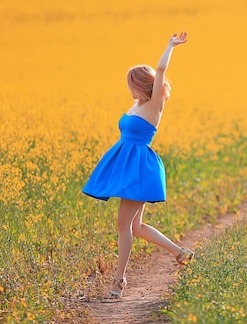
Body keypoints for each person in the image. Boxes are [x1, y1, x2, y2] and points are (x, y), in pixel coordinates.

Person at [82, 32, 193, 299]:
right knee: (135, 227)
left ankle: (118, 281)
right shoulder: (135, 104)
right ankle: (181, 253)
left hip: (140, 168)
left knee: (123, 225)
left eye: (130, 82)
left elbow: (162, 69)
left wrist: (170, 46)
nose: (127, 87)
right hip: (127, 164)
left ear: (140, 84)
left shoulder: (154, 106)